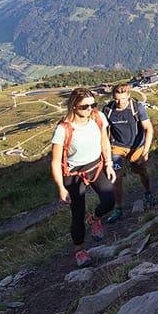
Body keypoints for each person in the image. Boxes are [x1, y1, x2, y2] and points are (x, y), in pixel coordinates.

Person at [50, 88, 115, 267]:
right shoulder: (63, 129)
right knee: (77, 213)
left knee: (109, 200)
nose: (89, 109)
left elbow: (104, 141)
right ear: (73, 106)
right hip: (73, 174)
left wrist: (109, 163)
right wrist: (61, 187)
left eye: (92, 105)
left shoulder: (98, 117)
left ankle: (95, 218)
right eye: (84, 106)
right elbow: (55, 162)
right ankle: (80, 250)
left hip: (96, 167)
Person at [101, 83, 156, 221]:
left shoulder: (136, 107)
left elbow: (148, 128)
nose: (119, 102)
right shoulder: (107, 110)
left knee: (141, 172)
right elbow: (103, 133)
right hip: (117, 147)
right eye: (116, 99)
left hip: (137, 146)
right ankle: (118, 208)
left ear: (129, 96)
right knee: (116, 177)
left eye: (123, 99)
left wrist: (145, 152)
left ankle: (147, 192)